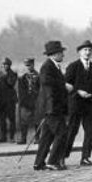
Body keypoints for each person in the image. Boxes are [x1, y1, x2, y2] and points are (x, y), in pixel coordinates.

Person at [63, 39, 92, 166]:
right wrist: (78, 91)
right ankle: (62, 156)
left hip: (90, 105)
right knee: (72, 130)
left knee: (90, 131)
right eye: (85, 50)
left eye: (90, 50)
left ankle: (85, 157)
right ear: (79, 52)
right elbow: (66, 84)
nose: (87, 52)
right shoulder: (73, 66)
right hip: (76, 103)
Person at [33, 41, 70, 170]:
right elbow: (45, 82)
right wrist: (64, 85)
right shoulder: (47, 66)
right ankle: (52, 161)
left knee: (46, 137)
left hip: (51, 107)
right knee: (62, 133)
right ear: (54, 54)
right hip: (52, 107)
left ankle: (38, 163)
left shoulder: (53, 66)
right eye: (61, 53)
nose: (63, 55)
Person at [16, 57, 40, 144]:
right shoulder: (23, 78)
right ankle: (23, 139)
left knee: (37, 120)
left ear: (33, 65)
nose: (28, 67)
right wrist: (24, 102)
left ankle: (38, 138)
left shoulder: (39, 77)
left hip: (36, 102)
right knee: (24, 121)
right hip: (26, 104)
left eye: (30, 65)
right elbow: (21, 92)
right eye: (27, 66)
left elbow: (41, 90)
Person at [0, 57, 18, 142]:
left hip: (10, 101)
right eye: (3, 64)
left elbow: (11, 83)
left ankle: (11, 137)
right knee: (2, 120)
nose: (4, 66)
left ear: (9, 65)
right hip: (1, 101)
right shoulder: (0, 73)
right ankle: (3, 137)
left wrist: (5, 75)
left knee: (12, 119)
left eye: (6, 64)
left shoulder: (13, 74)